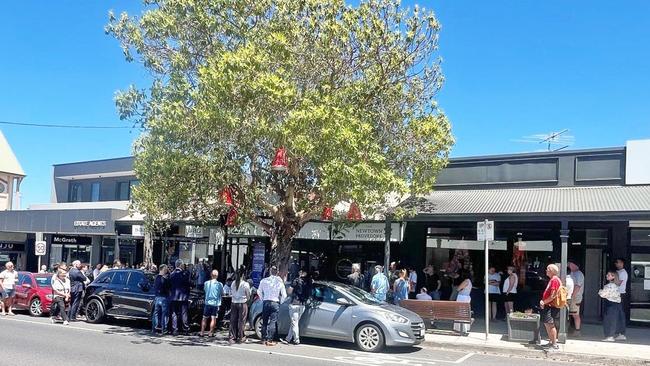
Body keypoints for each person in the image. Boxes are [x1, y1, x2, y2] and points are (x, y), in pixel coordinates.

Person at [258, 266, 287, 346]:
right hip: (275, 302)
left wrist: (263, 299)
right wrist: (280, 302)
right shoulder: (279, 282)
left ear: (270, 271)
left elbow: (259, 291)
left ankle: (263, 339)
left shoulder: (264, 281)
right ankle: (270, 340)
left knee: (264, 321)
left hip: (266, 302)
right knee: (273, 321)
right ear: (277, 272)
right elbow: (284, 295)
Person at [539, 264, 562, 351]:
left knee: (550, 324)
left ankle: (554, 344)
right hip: (548, 305)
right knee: (547, 324)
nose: (546, 271)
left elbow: (553, 295)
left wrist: (544, 302)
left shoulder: (554, 280)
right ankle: (551, 342)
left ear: (551, 271)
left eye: (547, 269)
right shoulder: (552, 279)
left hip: (550, 306)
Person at [284, 269, 309, 345]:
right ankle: (288, 339)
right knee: (294, 322)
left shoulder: (296, 281)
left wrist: (289, 289)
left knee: (294, 323)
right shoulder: (307, 282)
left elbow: (289, 291)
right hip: (302, 305)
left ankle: (296, 340)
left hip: (294, 304)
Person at [169, 259, 191, 335]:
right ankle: (185, 329)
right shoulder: (184, 274)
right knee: (184, 313)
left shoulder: (172, 274)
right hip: (183, 296)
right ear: (181, 265)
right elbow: (188, 285)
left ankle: (174, 329)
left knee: (174, 313)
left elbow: (169, 285)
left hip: (174, 297)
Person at [599, 271, 622, 342]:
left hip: (610, 304)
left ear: (613, 277)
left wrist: (600, 291)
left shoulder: (609, 286)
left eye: (609, 275)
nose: (607, 276)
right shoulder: (616, 286)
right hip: (616, 304)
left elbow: (602, 294)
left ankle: (609, 335)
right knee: (613, 320)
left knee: (608, 320)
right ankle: (611, 335)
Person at [229, 271, 251, 344]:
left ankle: (232, 337)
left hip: (234, 303)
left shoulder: (233, 283)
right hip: (242, 303)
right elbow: (248, 295)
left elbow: (230, 293)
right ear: (243, 275)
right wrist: (247, 300)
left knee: (233, 320)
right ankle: (241, 336)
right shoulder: (245, 284)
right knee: (242, 321)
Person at [201, 269, 223, 337]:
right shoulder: (219, 284)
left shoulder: (206, 283)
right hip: (215, 304)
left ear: (211, 275)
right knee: (213, 318)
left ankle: (202, 332)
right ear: (217, 276)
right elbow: (221, 293)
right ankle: (210, 333)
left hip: (207, 303)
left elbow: (205, 290)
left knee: (204, 318)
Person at [152, 264, 170, 335]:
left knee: (156, 313)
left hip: (157, 297)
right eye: (165, 269)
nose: (166, 270)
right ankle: (164, 328)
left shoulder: (156, 278)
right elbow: (168, 287)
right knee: (164, 314)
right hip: (163, 297)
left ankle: (155, 327)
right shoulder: (164, 279)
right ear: (162, 269)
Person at [568, 262, 584, 336]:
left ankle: (577, 331)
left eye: (570, 263)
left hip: (575, 297)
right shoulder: (571, 273)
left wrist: (572, 296)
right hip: (571, 296)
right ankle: (571, 329)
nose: (568, 265)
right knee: (570, 314)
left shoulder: (579, 274)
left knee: (575, 314)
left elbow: (578, 286)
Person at [614, 258, 628, 340]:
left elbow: (618, 283)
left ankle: (622, 333)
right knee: (616, 314)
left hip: (620, 294)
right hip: (615, 294)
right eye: (615, 262)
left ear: (622, 263)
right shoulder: (618, 272)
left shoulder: (623, 273)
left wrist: (612, 279)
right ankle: (618, 332)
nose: (616, 264)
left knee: (620, 314)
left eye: (617, 262)